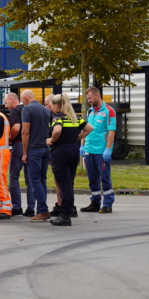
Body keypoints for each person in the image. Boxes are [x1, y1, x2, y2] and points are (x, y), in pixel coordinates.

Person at [46, 94, 93, 226]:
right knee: (69, 183)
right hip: (73, 151)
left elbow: (57, 131)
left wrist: (52, 140)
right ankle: (70, 209)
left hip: (61, 152)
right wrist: (76, 138)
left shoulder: (58, 117)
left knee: (63, 184)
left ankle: (65, 215)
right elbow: (89, 128)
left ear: (56, 105)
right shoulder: (74, 117)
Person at [81, 87, 117, 214]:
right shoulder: (90, 111)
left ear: (97, 96)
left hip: (101, 151)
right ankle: (95, 203)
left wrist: (108, 150)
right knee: (92, 178)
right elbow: (85, 129)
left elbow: (111, 131)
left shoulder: (109, 111)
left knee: (105, 177)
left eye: (90, 98)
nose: (89, 101)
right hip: (89, 150)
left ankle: (107, 204)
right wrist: (82, 145)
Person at [21, 90, 52, 221]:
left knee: (34, 180)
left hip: (33, 149)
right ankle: (41, 209)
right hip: (45, 148)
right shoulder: (46, 110)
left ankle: (43, 210)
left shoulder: (27, 109)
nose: (22, 102)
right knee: (42, 180)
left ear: (26, 98)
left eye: (22, 100)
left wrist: (24, 152)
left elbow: (25, 132)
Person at [4, 92, 34, 217]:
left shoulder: (15, 111)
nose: (5, 106)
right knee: (30, 179)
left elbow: (16, 127)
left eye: (6, 102)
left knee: (13, 177)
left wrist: (10, 138)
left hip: (19, 145)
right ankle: (31, 208)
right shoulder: (27, 110)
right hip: (30, 145)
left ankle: (17, 207)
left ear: (12, 99)